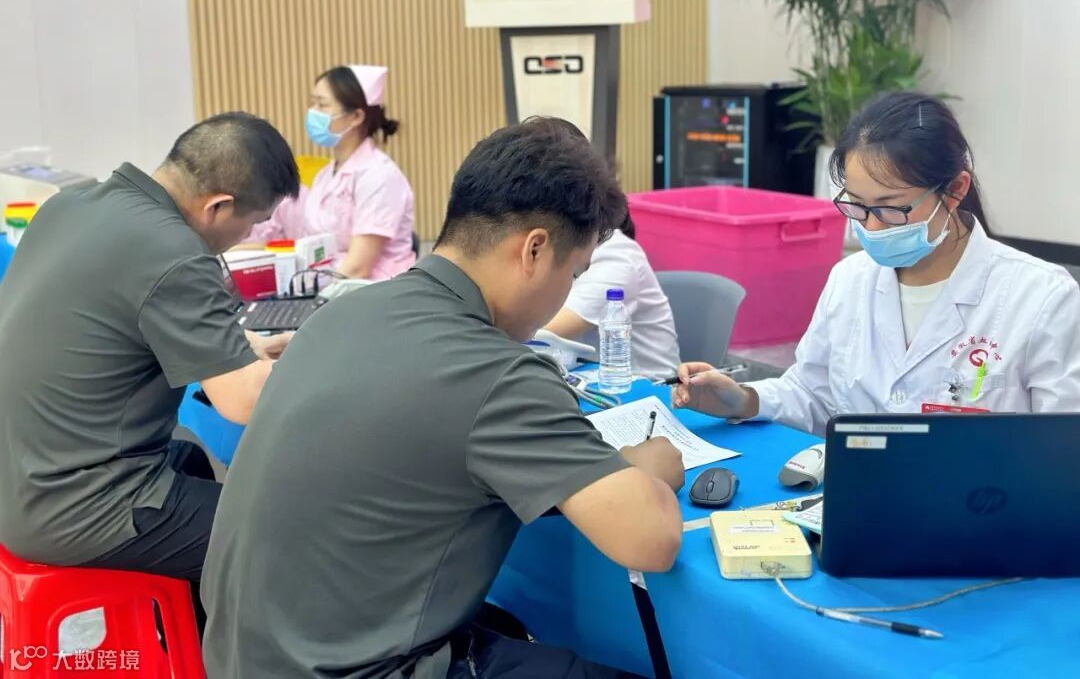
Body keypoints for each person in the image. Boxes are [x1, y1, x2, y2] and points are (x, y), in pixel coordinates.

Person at [201, 117, 685, 678]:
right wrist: (649, 468)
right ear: (534, 250)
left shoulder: (342, 313)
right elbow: (650, 541)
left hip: (240, 654)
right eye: (573, 274)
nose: (565, 294)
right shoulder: (497, 372)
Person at [0, 112, 300, 589]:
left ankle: (193, 629)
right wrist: (320, 353)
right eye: (253, 224)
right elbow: (242, 402)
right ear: (218, 206)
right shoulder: (175, 253)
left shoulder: (71, 204)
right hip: (80, 507)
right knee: (296, 533)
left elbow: (115, 323)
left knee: (192, 460)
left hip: (22, 484)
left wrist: (246, 346)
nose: (247, 237)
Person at [673, 92, 1080, 436]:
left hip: (980, 502)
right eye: (857, 206)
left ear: (955, 189)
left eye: (890, 208)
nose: (871, 227)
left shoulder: (1041, 298)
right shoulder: (849, 279)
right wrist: (744, 399)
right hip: (859, 491)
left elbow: (1062, 450)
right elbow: (812, 393)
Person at [249, 64, 416, 280]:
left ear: (356, 117)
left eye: (322, 105)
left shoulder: (379, 176)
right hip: (331, 284)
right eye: (312, 103)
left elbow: (358, 269)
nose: (313, 112)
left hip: (373, 290)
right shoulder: (325, 175)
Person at [545, 210, 680, 380]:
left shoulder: (617, 255)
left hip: (644, 384)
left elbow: (547, 332)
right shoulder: (558, 247)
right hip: (584, 377)